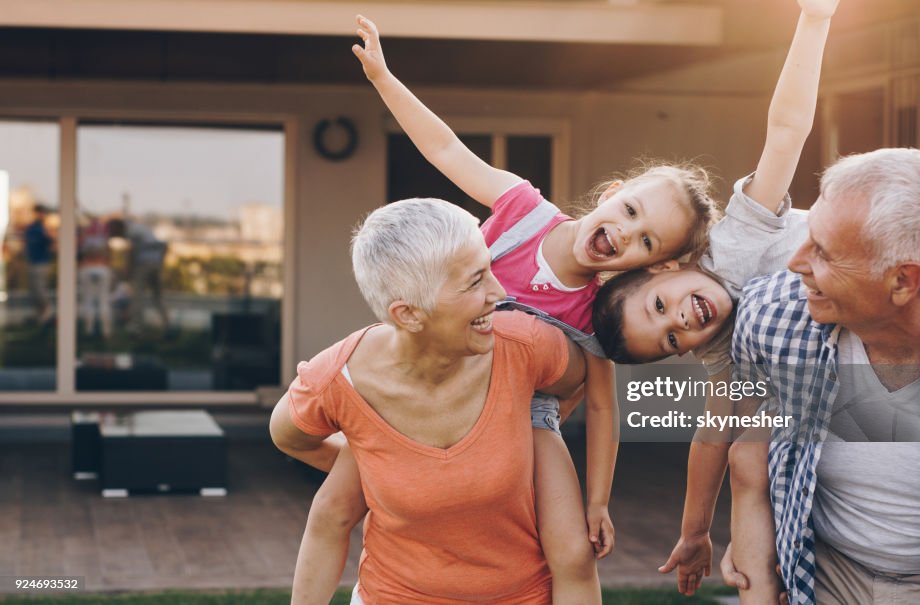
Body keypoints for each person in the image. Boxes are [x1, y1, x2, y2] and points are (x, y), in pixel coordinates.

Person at [292, 15, 723, 605]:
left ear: (650, 267)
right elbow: (445, 147)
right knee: (341, 499)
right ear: (609, 195)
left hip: (526, 420)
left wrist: (597, 501)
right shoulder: (522, 210)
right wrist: (384, 79)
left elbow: (601, 406)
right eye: (629, 212)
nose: (626, 234)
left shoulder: (596, 311)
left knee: (570, 549)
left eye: (647, 242)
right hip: (433, 383)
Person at [590, 0, 838, 601]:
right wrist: (695, 532)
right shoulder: (727, 352)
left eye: (660, 307)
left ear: (667, 266)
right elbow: (711, 440)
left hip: (881, 278)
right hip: (859, 381)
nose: (681, 322)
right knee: (751, 455)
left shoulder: (734, 245)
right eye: (672, 339)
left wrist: (814, 19)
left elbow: (785, 133)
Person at [718, 147, 920, 604]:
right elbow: (748, 454)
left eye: (823, 252)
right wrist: (757, 554)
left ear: (903, 281)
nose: (796, 263)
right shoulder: (770, 316)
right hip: (824, 571)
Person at [270, 198, 587, 604]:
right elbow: (290, 437)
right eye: (474, 282)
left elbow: (580, 380)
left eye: (489, 270)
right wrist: (374, 467)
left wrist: (529, 430)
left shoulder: (527, 346)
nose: (499, 292)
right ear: (409, 315)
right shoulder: (339, 380)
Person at [107, 217, 169, 333]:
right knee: (158, 296)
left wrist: (127, 270)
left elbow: (132, 252)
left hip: (144, 264)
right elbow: (162, 246)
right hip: (156, 263)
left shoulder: (131, 231)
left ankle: (136, 327)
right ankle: (166, 325)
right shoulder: (139, 228)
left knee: (137, 296)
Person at [24, 203, 55, 323]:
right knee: (34, 289)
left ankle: (47, 312)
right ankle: (41, 314)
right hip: (33, 261)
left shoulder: (44, 228)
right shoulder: (32, 228)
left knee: (40, 288)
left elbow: (50, 242)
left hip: (41, 262)